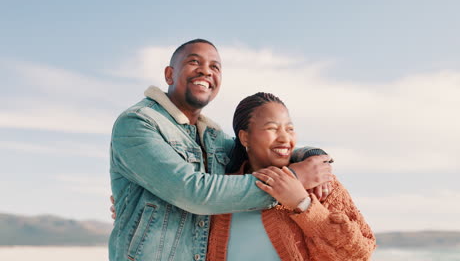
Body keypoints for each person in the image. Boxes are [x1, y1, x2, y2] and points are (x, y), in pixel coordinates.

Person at [108, 39, 333, 261]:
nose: (206, 71)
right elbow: (192, 192)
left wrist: (313, 158)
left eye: (214, 67)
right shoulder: (138, 122)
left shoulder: (214, 138)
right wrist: (294, 179)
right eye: (194, 62)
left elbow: (263, 150)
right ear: (169, 74)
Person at [207, 92, 376, 261]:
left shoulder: (320, 185)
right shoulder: (221, 189)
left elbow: (359, 255)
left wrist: (303, 204)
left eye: (290, 129)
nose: (284, 138)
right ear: (245, 138)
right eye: (272, 128)